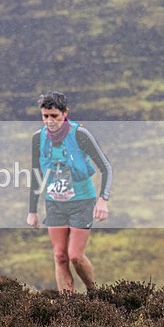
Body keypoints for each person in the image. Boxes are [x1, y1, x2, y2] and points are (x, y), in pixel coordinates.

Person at [27, 91, 112, 294]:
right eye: (45, 116)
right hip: (54, 203)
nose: (49, 121)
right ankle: (69, 307)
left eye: (54, 116)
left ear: (65, 113)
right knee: (60, 256)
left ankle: (93, 292)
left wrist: (103, 200)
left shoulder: (80, 135)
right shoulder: (38, 138)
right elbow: (36, 174)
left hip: (82, 202)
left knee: (75, 255)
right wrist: (33, 210)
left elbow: (106, 167)